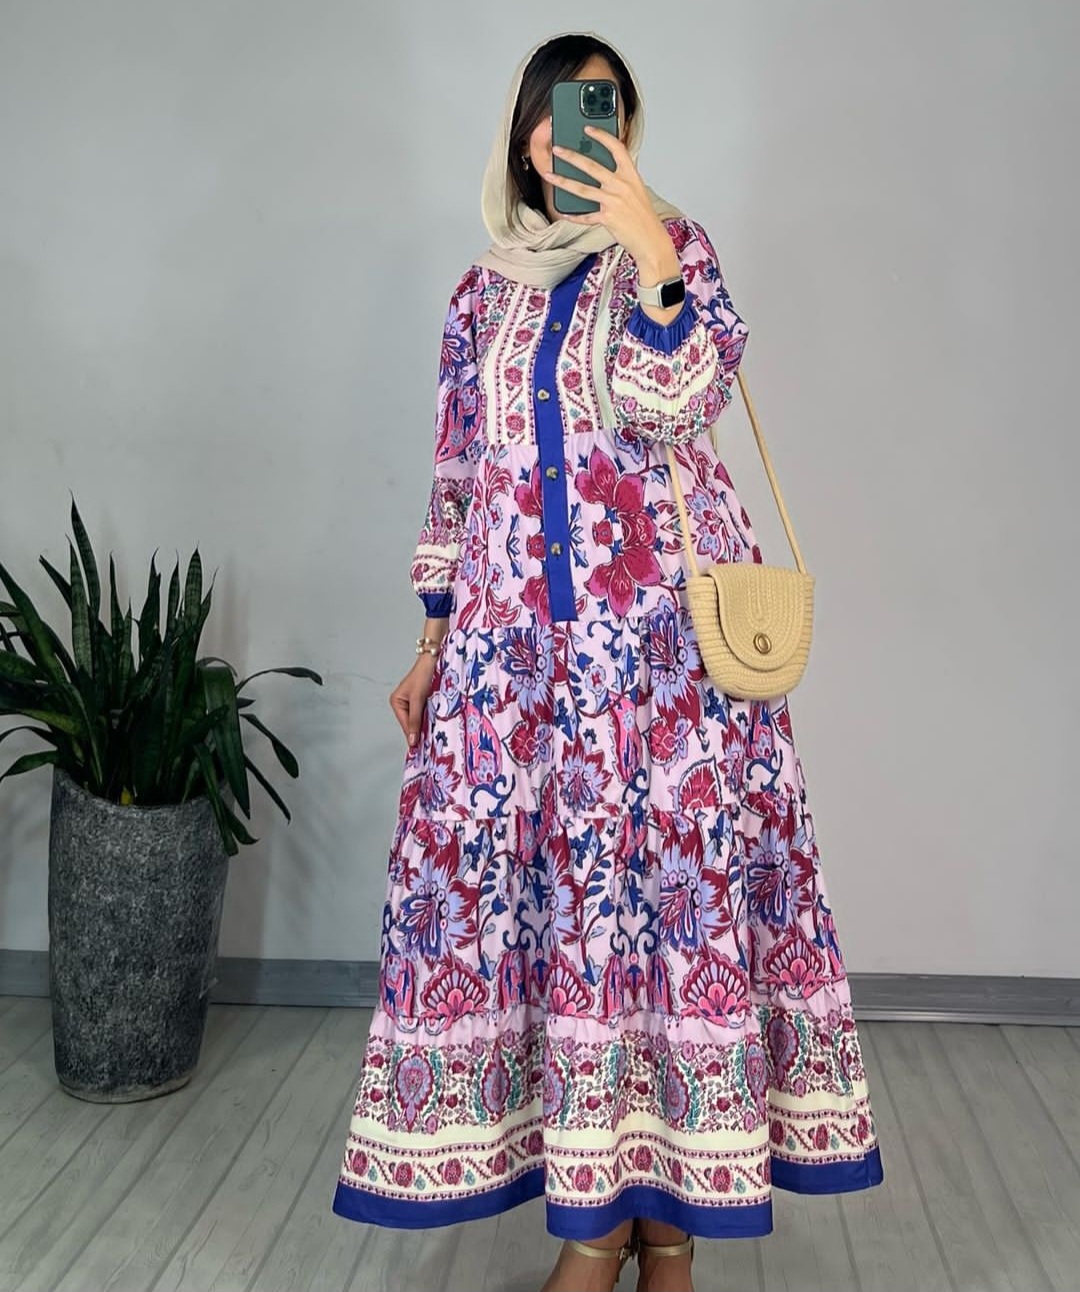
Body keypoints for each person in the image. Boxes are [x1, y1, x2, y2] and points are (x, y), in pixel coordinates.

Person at [332, 27, 884, 1292]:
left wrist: (652, 253)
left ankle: (667, 1228)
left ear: (627, 136)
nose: (578, 132)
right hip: (518, 670)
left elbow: (674, 405)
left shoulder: (676, 252)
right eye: (559, 111)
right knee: (558, 927)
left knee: (662, 926)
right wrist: (431, 638)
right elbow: (459, 473)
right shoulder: (481, 295)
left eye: (606, 111)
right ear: (523, 133)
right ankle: (598, 1223)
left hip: (662, 669)